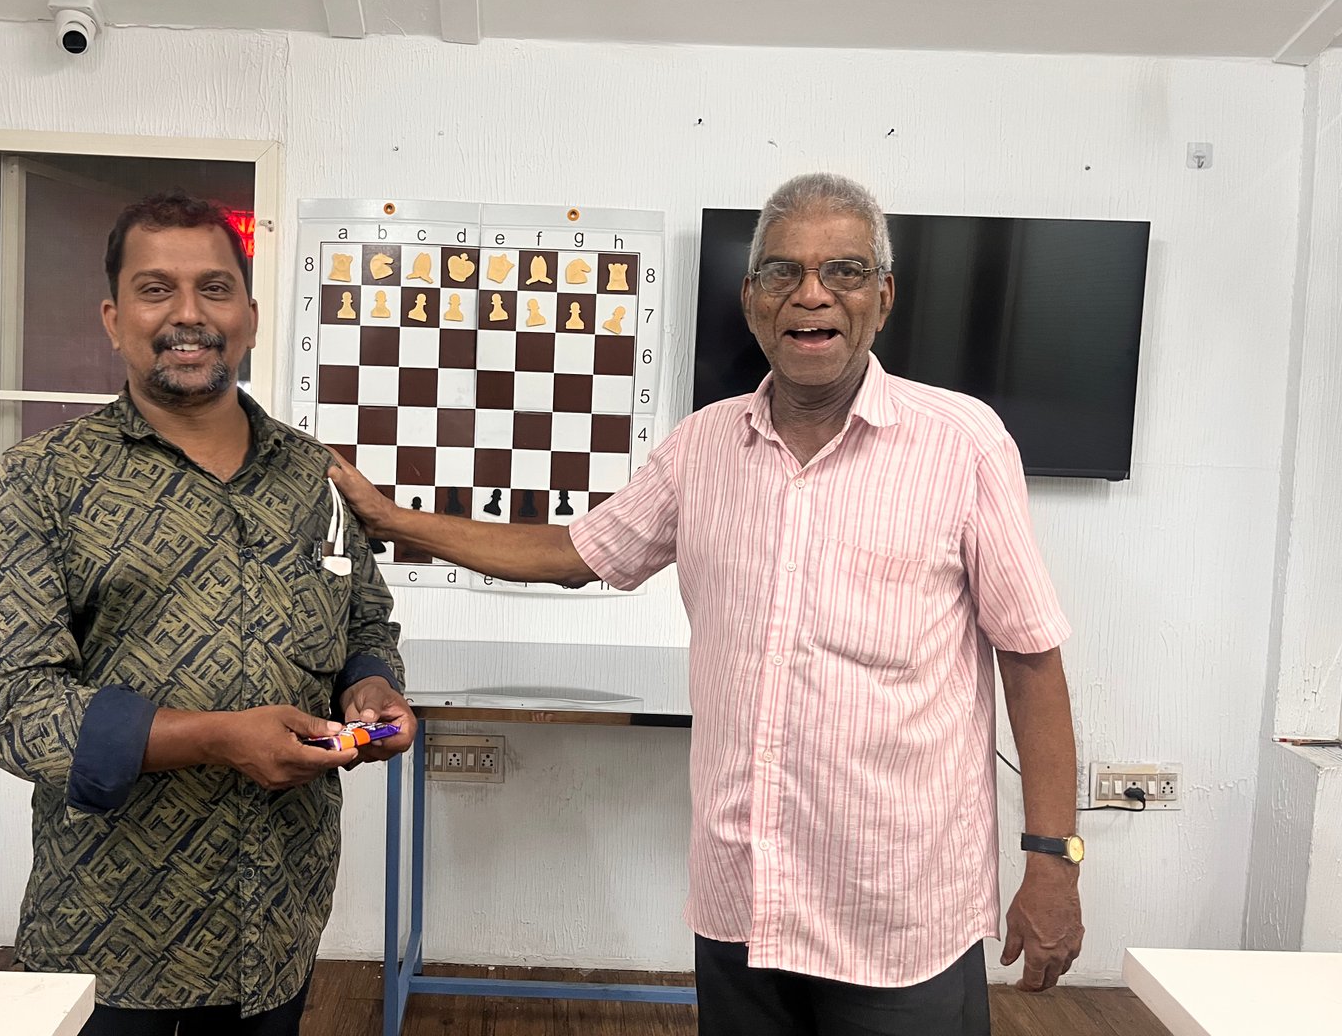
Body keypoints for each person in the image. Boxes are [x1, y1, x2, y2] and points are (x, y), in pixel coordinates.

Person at [328, 173, 1082, 1036]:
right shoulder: (702, 448)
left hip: (898, 915)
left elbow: (1031, 659)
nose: (811, 294)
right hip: (743, 904)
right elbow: (574, 554)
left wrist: (1052, 860)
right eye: (783, 271)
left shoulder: (963, 444)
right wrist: (392, 518)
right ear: (751, 300)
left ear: (883, 296)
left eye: (842, 270)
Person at [0, 190, 413, 1036]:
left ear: (249, 316)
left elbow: (364, 620)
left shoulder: (314, 476)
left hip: (279, 921)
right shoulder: (41, 481)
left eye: (214, 288)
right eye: (155, 289)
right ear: (113, 319)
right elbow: (10, 710)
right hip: (112, 941)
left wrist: (371, 686)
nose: (188, 314)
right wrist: (217, 738)